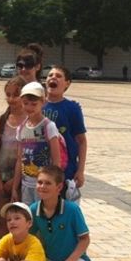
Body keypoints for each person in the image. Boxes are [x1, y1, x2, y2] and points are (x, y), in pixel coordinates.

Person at [30, 166, 91, 261]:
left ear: (59, 187)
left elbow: (85, 239)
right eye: (40, 182)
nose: (42, 186)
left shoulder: (72, 209)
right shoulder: (34, 209)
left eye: (48, 183)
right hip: (51, 259)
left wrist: (72, 259)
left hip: (75, 259)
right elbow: (31, 237)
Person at [12, 82, 62, 205]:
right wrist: (15, 187)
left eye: (34, 104)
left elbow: (56, 161)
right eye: (25, 103)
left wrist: (55, 187)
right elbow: (19, 159)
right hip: (26, 184)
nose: (29, 107)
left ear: (43, 102)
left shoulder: (48, 126)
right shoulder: (21, 128)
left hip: (44, 187)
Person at [0, 76, 27, 240]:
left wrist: (15, 181)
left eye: (16, 95)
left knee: (22, 222)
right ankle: (2, 252)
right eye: (9, 95)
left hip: (23, 179)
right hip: (2, 178)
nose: (12, 99)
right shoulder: (1, 121)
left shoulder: (29, 121)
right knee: (3, 221)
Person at [43, 66, 87, 199]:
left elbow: (81, 141)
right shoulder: (37, 105)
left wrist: (80, 170)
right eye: (50, 75)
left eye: (58, 76)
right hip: (39, 170)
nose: (53, 77)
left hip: (65, 171)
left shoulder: (72, 108)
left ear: (67, 83)